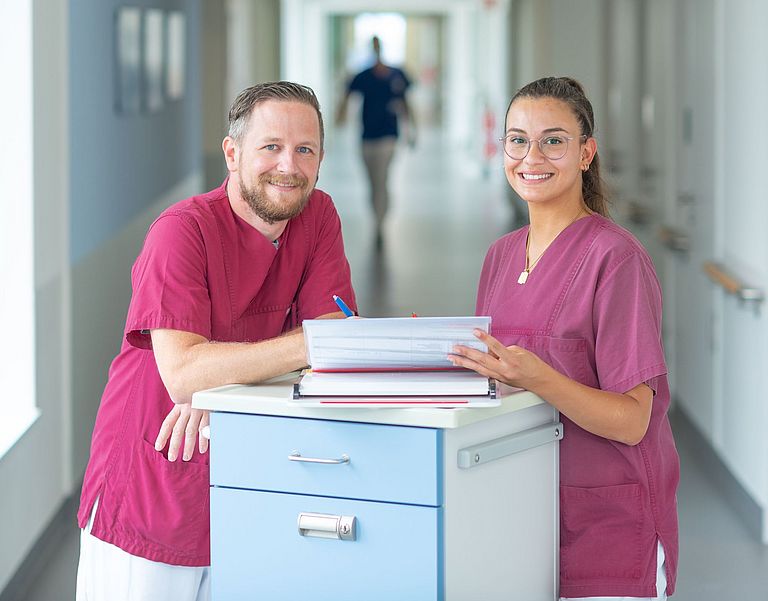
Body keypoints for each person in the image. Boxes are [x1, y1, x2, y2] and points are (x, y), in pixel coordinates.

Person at [75, 81, 357, 600]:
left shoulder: (317, 216)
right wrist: (302, 347)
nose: (288, 166)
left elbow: (338, 354)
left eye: (305, 150)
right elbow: (183, 373)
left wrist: (218, 384)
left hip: (250, 470)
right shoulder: (181, 232)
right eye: (270, 147)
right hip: (155, 479)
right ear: (232, 152)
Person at [449, 76, 679, 600]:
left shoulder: (616, 259)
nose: (532, 156)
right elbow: (506, 378)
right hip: (522, 515)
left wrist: (540, 378)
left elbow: (631, 420)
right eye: (517, 140)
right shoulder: (501, 256)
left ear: (585, 153)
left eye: (553, 140)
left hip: (609, 526)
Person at [336, 35, 415, 245]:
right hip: (367, 137)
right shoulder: (362, 76)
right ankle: (377, 216)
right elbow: (346, 98)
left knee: (382, 178)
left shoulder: (396, 75)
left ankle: (380, 222)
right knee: (373, 182)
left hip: (389, 136)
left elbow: (406, 103)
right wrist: (336, 121)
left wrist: (412, 130)